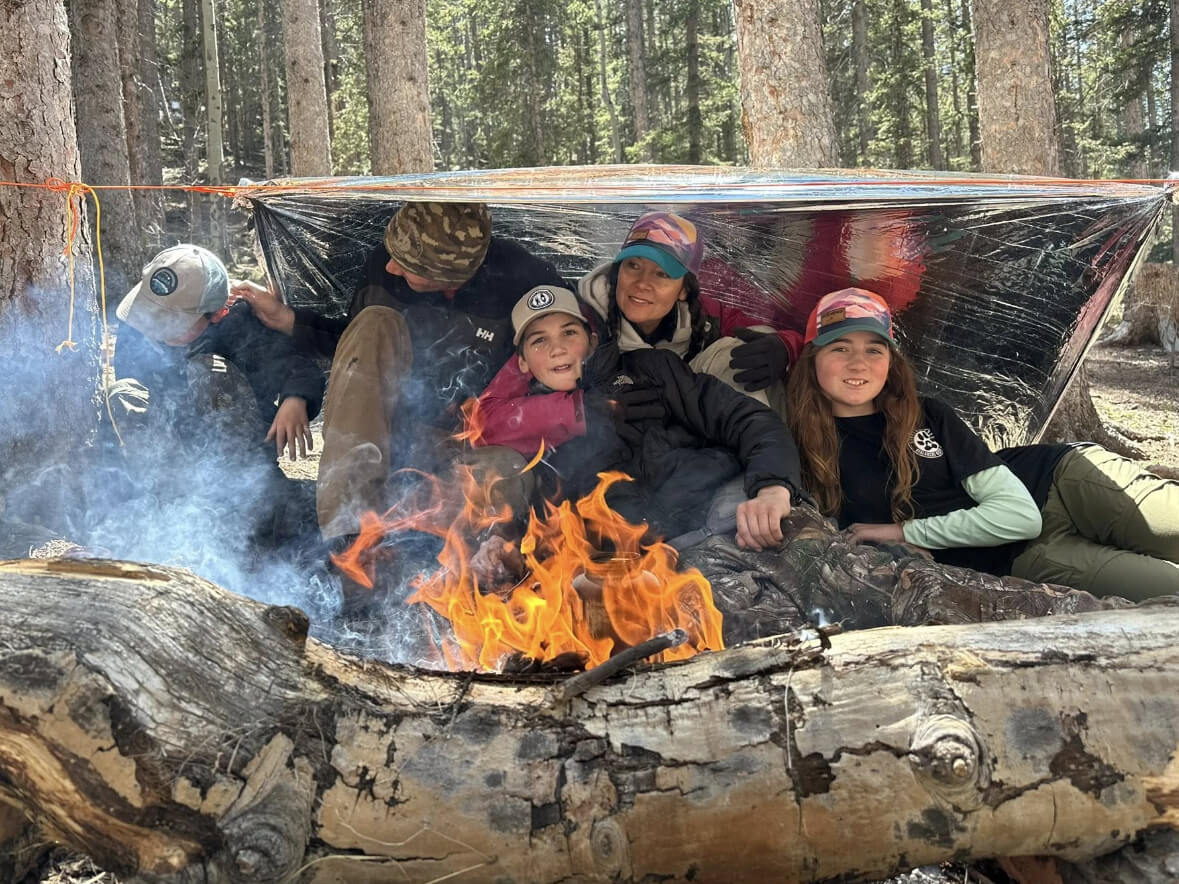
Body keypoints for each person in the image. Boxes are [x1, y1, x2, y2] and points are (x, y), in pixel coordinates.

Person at [785, 287, 1179, 599]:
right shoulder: (800, 451)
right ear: (812, 360)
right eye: (840, 348)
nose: (859, 363)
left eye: (874, 349)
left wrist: (903, 532)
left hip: (1064, 482)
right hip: (1021, 556)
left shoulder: (926, 414)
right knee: (1167, 587)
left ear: (890, 362)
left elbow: (1017, 512)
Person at [233, 202, 564, 565]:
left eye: (407, 266)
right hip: (394, 437)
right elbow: (358, 347)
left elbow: (562, 378)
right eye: (393, 256)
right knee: (374, 321)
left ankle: (471, 565)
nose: (391, 266)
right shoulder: (384, 266)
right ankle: (351, 541)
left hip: (478, 444)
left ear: (453, 274)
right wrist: (289, 320)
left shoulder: (523, 281)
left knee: (504, 476)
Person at [472, 284, 805, 551]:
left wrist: (772, 487)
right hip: (641, 570)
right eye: (539, 340)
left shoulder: (649, 370)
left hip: (727, 522)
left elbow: (749, 420)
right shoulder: (534, 434)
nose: (557, 348)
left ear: (591, 341)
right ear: (524, 363)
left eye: (568, 333)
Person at [474, 210, 801, 459]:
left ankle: (763, 474)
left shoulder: (709, 311)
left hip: (699, 424)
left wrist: (785, 348)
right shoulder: (573, 322)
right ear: (617, 269)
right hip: (604, 459)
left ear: (684, 289)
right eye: (633, 266)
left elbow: (800, 340)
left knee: (742, 353)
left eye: (662, 273)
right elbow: (485, 419)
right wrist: (580, 410)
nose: (643, 283)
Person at [107, 243, 325, 548]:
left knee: (207, 371)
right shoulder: (138, 326)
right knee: (123, 393)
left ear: (217, 313)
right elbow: (133, 386)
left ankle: (252, 507)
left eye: (171, 322)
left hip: (240, 458)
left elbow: (298, 366)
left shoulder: (241, 326)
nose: (156, 329)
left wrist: (296, 399)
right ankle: (167, 501)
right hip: (175, 455)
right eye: (154, 317)